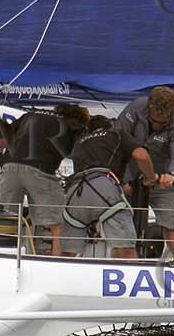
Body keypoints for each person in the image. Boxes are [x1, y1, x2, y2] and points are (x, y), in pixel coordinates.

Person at [116, 85, 174, 263]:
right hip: (129, 179)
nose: (158, 126)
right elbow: (118, 140)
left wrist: (172, 174)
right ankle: (120, 265)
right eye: (154, 121)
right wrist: (124, 181)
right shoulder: (135, 108)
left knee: (172, 225)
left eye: (163, 123)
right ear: (148, 108)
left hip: (161, 181)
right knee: (120, 228)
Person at [59, 110, 138, 260]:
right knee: (125, 247)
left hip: (76, 190)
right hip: (103, 186)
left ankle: (58, 274)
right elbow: (141, 155)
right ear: (110, 127)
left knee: (67, 252)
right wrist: (149, 177)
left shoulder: (80, 142)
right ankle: (127, 273)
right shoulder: (116, 134)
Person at [0, 110, 68, 256]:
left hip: (10, 165)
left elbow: (7, 132)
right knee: (59, 224)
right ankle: (58, 266)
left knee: (5, 220)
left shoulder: (28, 115)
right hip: (39, 167)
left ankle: (4, 260)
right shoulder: (71, 124)